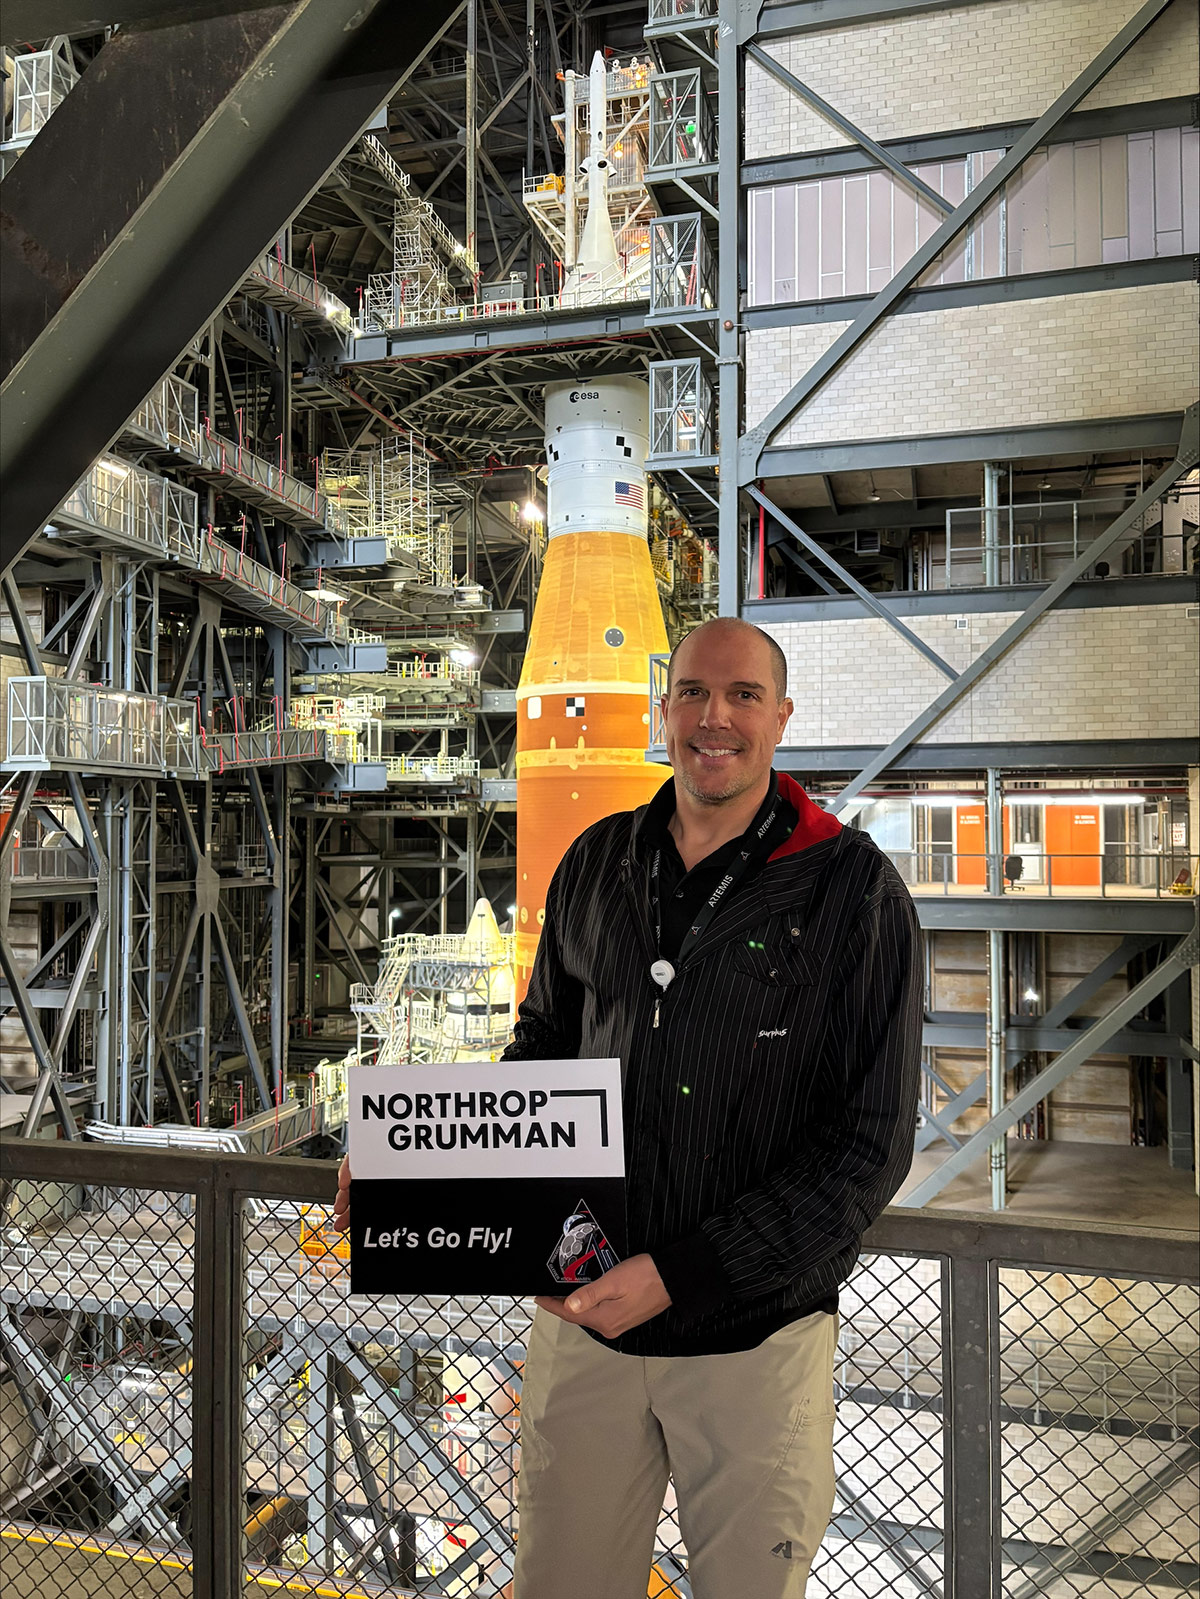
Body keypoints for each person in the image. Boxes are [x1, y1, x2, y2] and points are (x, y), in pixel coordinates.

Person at [335, 616, 922, 1597]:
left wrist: (682, 1273)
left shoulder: (850, 894)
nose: (714, 717)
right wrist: (413, 1170)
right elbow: (538, 1059)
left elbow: (867, 1150)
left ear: (782, 719)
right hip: (585, 1327)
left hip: (754, 1341)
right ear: (664, 710)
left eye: (742, 697)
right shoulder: (599, 863)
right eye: (693, 691)